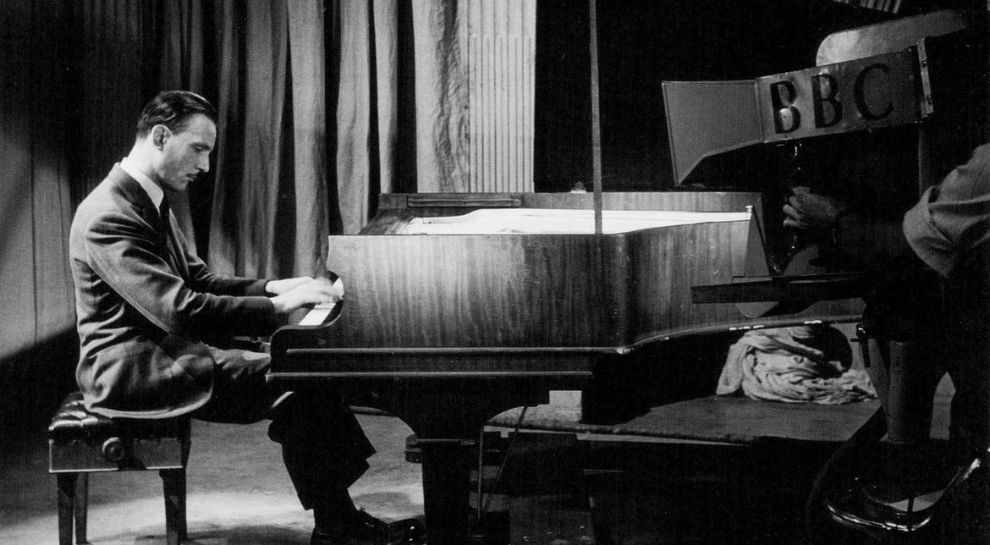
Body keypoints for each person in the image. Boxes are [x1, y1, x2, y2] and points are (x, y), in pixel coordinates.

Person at [69, 90, 422, 545]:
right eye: (198, 149)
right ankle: (339, 526)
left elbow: (201, 280)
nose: (205, 165)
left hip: (164, 355)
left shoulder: (146, 199)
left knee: (303, 377)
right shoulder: (109, 215)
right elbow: (181, 309)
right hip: (134, 371)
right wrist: (278, 308)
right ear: (159, 136)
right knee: (299, 378)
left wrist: (278, 287)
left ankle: (339, 522)